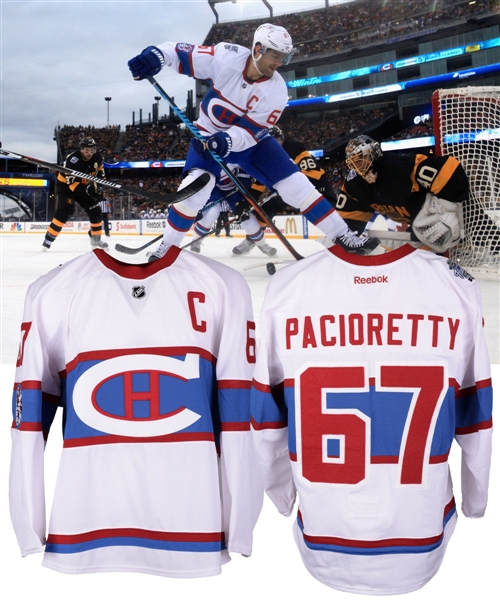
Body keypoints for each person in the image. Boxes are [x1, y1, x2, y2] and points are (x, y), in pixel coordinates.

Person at [250, 243, 492, 594]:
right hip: (422, 532)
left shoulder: (288, 286)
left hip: (323, 530)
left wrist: (281, 495)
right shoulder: (454, 285)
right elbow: (476, 413)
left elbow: (266, 420)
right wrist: (476, 499)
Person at [128, 24, 380, 261]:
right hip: (206, 139)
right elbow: (182, 53)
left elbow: (254, 131)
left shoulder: (277, 90)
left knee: (297, 185)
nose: (280, 63)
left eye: (285, 57)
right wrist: (157, 56)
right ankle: (167, 249)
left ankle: (343, 236)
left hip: (251, 144)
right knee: (193, 194)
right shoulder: (226, 58)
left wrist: (227, 139)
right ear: (258, 49)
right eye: (276, 56)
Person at [335, 135, 471, 253]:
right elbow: (346, 225)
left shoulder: (399, 167)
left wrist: (448, 212)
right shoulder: (356, 184)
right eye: (354, 162)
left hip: (446, 223)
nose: (358, 165)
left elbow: (449, 170)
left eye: (361, 158)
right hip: (417, 229)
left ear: (373, 152)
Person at [189, 165, 277, 257]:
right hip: (215, 187)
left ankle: (262, 244)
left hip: (234, 188)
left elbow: (244, 173)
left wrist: (243, 199)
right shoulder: (210, 157)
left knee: (245, 217)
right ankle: (196, 240)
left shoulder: (233, 154)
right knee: (212, 212)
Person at [42, 137, 109, 250]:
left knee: (96, 211)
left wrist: (99, 188)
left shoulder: (97, 158)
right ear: (81, 149)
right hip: (66, 187)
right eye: (87, 150)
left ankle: (95, 239)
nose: (89, 153)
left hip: (85, 185)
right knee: (65, 210)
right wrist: (89, 190)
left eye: (91, 150)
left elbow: (101, 175)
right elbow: (74, 186)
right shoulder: (72, 160)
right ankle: (49, 238)